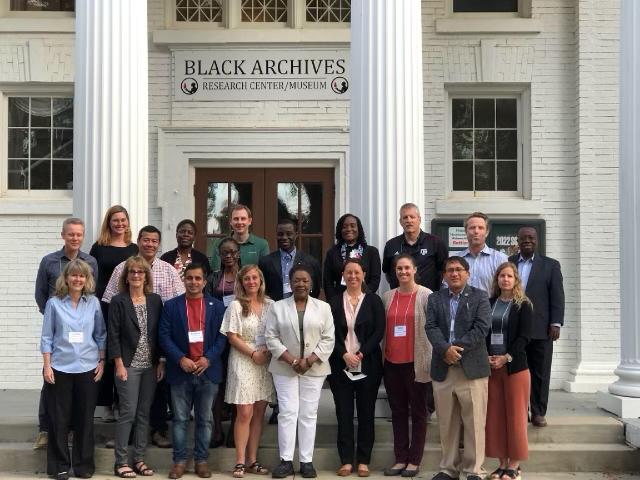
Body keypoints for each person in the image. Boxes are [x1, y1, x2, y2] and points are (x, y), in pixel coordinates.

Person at [103, 225, 185, 449]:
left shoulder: (168, 270)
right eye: (146, 240)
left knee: (157, 392)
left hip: (157, 338)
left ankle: (158, 431)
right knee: (126, 398)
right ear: (138, 241)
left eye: (154, 241)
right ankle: (128, 436)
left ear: (159, 244)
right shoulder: (123, 268)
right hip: (128, 341)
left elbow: (178, 304)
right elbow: (110, 302)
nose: (150, 244)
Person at [33, 218, 99, 450]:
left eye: (79, 235)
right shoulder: (49, 261)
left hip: (82, 334)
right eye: (71, 234)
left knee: (77, 390)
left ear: (83, 237)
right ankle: (45, 430)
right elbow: (41, 294)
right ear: (63, 235)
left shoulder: (90, 261)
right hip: (58, 330)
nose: (75, 238)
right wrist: (57, 316)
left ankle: (71, 431)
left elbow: (91, 293)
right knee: (50, 383)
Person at [265, 264, 335, 479]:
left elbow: (328, 338)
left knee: (308, 413)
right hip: (285, 367)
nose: (301, 284)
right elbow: (271, 337)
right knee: (287, 412)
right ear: (290, 282)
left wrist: (310, 360)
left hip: (314, 368)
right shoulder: (277, 307)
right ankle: (286, 461)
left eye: (305, 280)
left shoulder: (323, 308)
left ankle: (306, 461)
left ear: (311, 283)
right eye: (297, 280)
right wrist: (291, 359)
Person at [159, 263, 227, 479]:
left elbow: (222, 337)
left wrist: (208, 359)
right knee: (179, 419)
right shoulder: (171, 306)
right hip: (181, 371)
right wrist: (180, 359)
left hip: (208, 371)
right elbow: (164, 336)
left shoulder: (216, 307)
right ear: (184, 280)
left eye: (198, 278)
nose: (194, 282)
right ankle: (179, 461)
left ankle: (201, 460)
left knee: (205, 419)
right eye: (189, 278)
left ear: (205, 282)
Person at [426, 256, 491, 480]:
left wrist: (456, 349)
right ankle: (448, 468)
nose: (454, 274)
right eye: (449, 270)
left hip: (471, 369)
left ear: (467, 273)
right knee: (447, 422)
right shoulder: (435, 298)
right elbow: (431, 326)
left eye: (458, 270)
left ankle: (474, 470)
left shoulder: (480, 297)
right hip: (443, 368)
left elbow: (481, 328)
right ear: (444, 275)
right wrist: (445, 350)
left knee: (474, 422)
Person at [40, 259, 106, 480]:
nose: (78, 279)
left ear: (87, 279)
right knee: (59, 419)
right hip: (60, 368)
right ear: (66, 278)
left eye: (82, 276)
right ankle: (59, 465)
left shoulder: (94, 303)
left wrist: (102, 362)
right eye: (74, 275)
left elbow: (100, 335)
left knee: (85, 419)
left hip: (88, 368)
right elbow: (47, 337)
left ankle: (83, 465)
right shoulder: (54, 304)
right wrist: (46, 366)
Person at [108, 256, 164, 478]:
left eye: (140, 272)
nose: (136, 276)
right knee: (128, 412)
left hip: (150, 366)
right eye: (132, 272)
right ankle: (121, 461)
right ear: (127, 276)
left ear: (146, 276)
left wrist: (161, 362)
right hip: (128, 366)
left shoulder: (155, 300)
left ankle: (139, 459)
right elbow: (113, 336)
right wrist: (119, 364)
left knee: (143, 413)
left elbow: (159, 333)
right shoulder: (118, 301)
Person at [328, 259, 385, 478]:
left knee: (366, 414)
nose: (352, 276)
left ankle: (363, 460)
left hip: (367, 364)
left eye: (357, 272)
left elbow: (379, 331)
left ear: (363, 275)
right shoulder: (333, 302)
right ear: (343, 275)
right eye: (348, 272)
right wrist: (343, 353)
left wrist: (360, 354)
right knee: (343, 414)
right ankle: (345, 461)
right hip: (340, 364)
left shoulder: (373, 301)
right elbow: (329, 332)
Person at [220, 265, 275, 478]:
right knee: (244, 412)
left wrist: (267, 353)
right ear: (241, 283)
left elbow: (277, 332)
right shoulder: (235, 306)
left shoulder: (271, 305)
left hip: (265, 361)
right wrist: (253, 354)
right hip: (244, 358)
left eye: (255, 278)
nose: (251, 282)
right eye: (247, 279)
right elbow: (232, 336)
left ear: (260, 280)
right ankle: (240, 461)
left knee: (259, 412)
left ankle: (253, 461)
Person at [381, 254, 433, 478]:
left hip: (416, 363)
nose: (402, 272)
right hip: (392, 363)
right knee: (398, 412)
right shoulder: (387, 296)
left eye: (406, 268)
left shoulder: (426, 295)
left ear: (414, 270)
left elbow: (433, 329)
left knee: (419, 413)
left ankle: (414, 460)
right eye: (399, 268)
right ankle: (400, 458)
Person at [508, 227, 565, 428]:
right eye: (523, 238)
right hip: (514, 330)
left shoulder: (551, 265)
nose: (527, 241)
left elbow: (557, 296)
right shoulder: (509, 264)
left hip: (542, 328)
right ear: (518, 240)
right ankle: (521, 410)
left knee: (540, 371)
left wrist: (556, 323)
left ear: (537, 240)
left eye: (531, 237)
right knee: (517, 371)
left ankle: (539, 411)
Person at [90, 205, 139, 424]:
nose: (120, 224)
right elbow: (90, 275)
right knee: (105, 352)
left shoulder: (133, 248)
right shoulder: (99, 247)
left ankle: (121, 402)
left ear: (128, 222)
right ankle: (106, 404)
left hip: (126, 305)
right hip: (103, 305)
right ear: (108, 223)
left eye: (123, 220)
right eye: (115, 220)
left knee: (124, 351)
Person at [485, 262, 533, 480]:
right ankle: (501, 464)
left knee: (516, 417)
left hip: (515, 368)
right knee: (495, 417)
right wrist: (487, 356)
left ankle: (514, 465)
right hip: (492, 367)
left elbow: (525, 337)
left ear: (516, 280)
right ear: (497, 279)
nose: (505, 279)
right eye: (502, 276)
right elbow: (484, 332)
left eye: (509, 276)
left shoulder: (523, 305)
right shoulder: (490, 303)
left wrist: (506, 357)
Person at [206, 236, 242, 448]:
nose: (228, 256)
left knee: (237, 384)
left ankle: (233, 433)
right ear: (219, 255)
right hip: (218, 335)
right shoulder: (213, 278)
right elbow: (208, 305)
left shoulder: (247, 276)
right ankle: (217, 430)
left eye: (232, 252)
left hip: (240, 336)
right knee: (217, 385)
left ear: (238, 254)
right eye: (224, 253)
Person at [382, 203, 447, 292]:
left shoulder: (435, 242)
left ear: (419, 219)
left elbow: (444, 270)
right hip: (400, 298)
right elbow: (387, 272)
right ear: (400, 221)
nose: (409, 220)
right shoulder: (391, 245)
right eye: (405, 217)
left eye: (412, 217)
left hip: (429, 298)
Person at [324, 214, 381, 303]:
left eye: (353, 226)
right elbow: (327, 281)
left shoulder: (372, 252)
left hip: (365, 301)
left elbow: (375, 279)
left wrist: (362, 297)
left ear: (359, 229)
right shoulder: (332, 253)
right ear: (340, 230)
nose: (349, 229)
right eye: (344, 227)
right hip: (339, 302)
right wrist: (334, 301)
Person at [259, 218, 322, 301]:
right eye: (280, 234)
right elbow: (261, 288)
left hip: (301, 307)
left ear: (296, 235)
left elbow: (315, 290)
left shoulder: (310, 262)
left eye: (289, 234)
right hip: (274, 308)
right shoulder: (265, 262)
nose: (284, 237)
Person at [455, 212, 507, 294]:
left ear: (487, 232)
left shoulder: (500, 259)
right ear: (466, 231)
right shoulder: (455, 259)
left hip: (490, 306)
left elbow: (507, 290)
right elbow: (447, 288)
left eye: (480, 228)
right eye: (472, 228)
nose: (476, 231)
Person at [209, 204, 269, 272]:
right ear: (231, 221)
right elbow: (215, 272)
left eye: (243, 219)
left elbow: (264, 273)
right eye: (236, 219)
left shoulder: (262, 245)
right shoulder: (219, 244)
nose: (239, 222)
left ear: (249, 221)